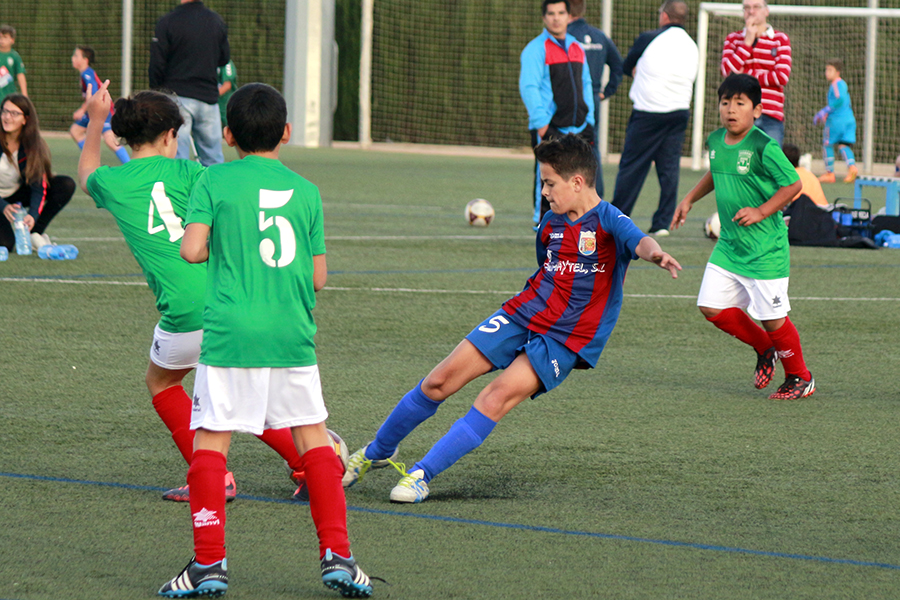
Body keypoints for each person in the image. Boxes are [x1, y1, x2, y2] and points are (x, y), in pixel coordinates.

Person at [341, 134, 681, 504]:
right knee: (438, 381)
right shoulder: (550, 223)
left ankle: (422, 474)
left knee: (494, 397)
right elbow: (545, 266)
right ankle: (376, 451)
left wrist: (656, 255)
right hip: (523, 313)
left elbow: (640, 241)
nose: (544, 192)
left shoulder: (610, 219)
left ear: (577, 182)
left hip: (565, 339)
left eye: (549, 183)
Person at [161, 83, 373, 598]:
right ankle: (339, 556)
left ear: (228, 135)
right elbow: (319, 278)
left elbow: (191, 251)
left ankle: (208, 564)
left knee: (211, 442)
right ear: (286, 133)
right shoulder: (306, 191)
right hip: (291, 334)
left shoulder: (213, 179)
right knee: (314, 441)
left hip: (231, 333)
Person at [77, 81, 311, 506]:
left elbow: (87, 173)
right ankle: (307, 465)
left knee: (162, 382)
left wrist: (95, 122)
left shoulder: (112, 182)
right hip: (228, 303)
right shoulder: (194, 173)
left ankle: (215, 478)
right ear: (171, 135)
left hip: (184, 312)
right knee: (240, 392)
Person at [671, 73, 815, 400]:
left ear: (757, 110)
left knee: (773, 318)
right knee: (710, 307)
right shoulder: (715, 140)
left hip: (765, 250)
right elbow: (716, 171)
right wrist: (689, 199)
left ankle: (800, 377)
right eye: (725, 102)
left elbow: (793, 185)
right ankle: (765, 347)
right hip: (730, 246)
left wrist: (761, 211)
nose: (731, 109)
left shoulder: (764, 145)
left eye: (740, 103)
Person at [610, 0, 698, 237]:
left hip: (648, 113)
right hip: (679, 112)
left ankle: (618, 217)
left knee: (632, 166)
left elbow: (626, 66)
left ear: (665, 16)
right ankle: (662, 223)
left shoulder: (649, 38)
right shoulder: (692, 45)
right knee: (669, 168)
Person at [520, 0, 594, 228]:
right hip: (551, 127)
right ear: (544, 17)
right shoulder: (535, 49)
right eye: (551, 13)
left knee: (580, 179)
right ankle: (543, 226)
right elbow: (529, 87)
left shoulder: (576, 47)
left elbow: (586, 83)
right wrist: (542, 125)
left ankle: (579, 224)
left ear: (569, 16)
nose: (556, 18)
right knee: (549, 181)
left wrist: (589, 119)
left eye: (561, 13)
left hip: (579, 127)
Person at [149, 0, 230, 166]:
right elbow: (224, 58)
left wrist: (157, 91)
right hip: (208, 98)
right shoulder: (216, 21)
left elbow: (157, 63)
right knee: (213, 159)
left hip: (177, 98)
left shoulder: (168, 21)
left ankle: (181, 185)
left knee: (178, 158)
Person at [0, 94, 74, 252]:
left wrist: (32, 216)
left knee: (65, 185)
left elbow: (38, 186)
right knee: (5, 244)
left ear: (25, 119)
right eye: (5, 111)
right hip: (1, 201)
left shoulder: (32, 146)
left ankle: (34, 233)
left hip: (15, 194)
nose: (7, 117)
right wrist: (3, 206)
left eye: (14, 113)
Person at [567, 0, 623, 199]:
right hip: (593, 100)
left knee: (564, 147)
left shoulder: (564, 37)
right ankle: (595, 196)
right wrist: (606, 92)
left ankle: (566, 198)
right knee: (592, 148)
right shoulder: (600, 36)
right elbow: (619, 66)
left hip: (569, 100)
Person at [720, 0, 791, 146]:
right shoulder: (733, 39)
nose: (751, 11)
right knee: (739, 160)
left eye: (756, 7)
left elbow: (782, 76)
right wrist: (747, 43)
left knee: (769, 159)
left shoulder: (780, 39)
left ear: (766, 11)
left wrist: (745, 75)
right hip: (740, 115)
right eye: (747, 7)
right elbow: (727, 72)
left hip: (770, 115)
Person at [69, 46, 130, 164]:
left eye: (76, 56)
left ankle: (129, 165)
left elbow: (93, 94)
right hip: (94, 110)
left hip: (102, 110)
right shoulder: (85, 73)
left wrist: (81, 110)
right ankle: (91, 161)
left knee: (109, 140)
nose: (73, 58)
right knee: (75, 131)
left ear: (85, 60)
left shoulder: (87, 74)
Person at [814, 58, 857, 184]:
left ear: (837, 72)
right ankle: (852, 168)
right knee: (844, 145)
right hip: (849, 119)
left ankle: (829, 173)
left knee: (827, 144)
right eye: (826, 69)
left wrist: (825, 110)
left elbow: (840, 99)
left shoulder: (835, 84)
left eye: (830, 70)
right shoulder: (843, 84)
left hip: (837, 121)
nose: (827, 72)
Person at [0, 25, 27, 104]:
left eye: (5, 37)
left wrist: (24, 95)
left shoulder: (15, 56)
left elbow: (20, 75)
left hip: (9, 97)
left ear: (12, 40)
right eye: (0, 37)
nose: (2, 40)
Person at [216, 59, 237, 128]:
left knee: (230, 126)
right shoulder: (207, 61)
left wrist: (211, 95)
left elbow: (227, 85)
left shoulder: (226, 62)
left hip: (226, 103)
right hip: (214, 103)